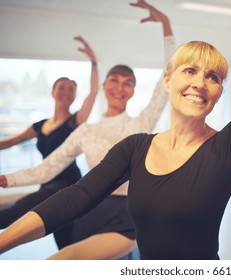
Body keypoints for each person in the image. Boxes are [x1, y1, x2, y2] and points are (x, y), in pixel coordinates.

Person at [0, 0, 231, 260]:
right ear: (167, 80)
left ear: (219, 92)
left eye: (212, 77)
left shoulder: (227, 148)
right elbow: (76, 197)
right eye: (190, 70)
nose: (200, 82)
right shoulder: (134, 148)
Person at [0, 0, 174, 260]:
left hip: (128, 213)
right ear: (104, 86)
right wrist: (7, 180)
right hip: (90, 210)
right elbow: (47, 169)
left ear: (133, 91)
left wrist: (166, 24)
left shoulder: (141, 122)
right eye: (114, 80)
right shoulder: (86, 130)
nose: (120, 87)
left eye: (128, 83)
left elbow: (167, 78)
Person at [0, 36, 99, 249]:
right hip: (47, 183)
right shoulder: (39, 126)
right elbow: (11, 141)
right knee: (65, 242)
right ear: (52, 92)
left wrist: (93, 61)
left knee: (12, 213)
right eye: (61, 87)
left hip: (68, 185)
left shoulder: (76, 122)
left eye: (70, 89)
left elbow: (93, 92)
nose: (65, 92)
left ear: (74, 96)